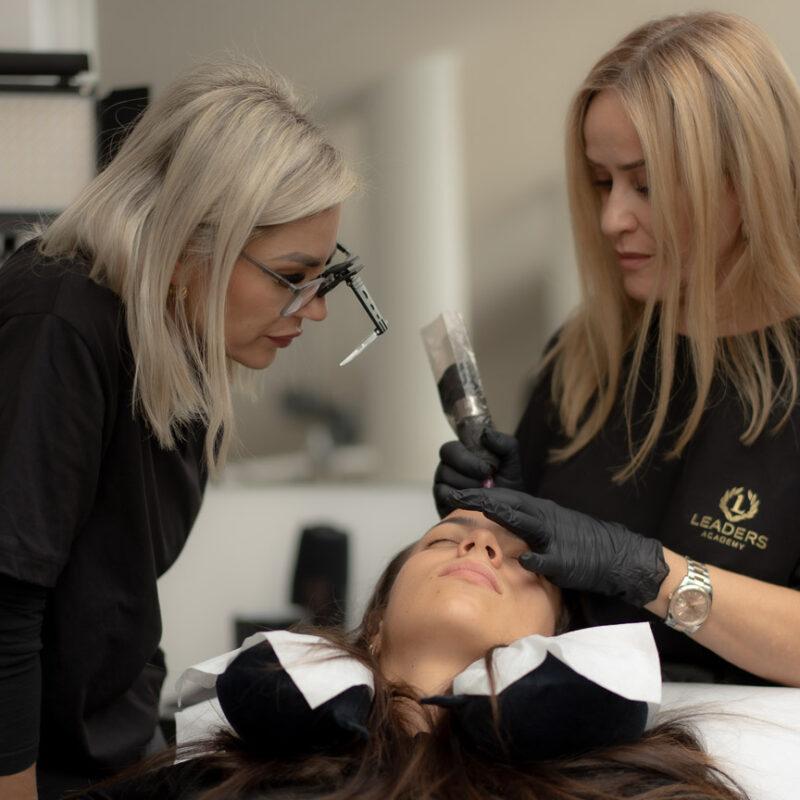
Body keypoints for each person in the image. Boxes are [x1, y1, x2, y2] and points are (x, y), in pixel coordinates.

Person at [0, 55, 368, 799]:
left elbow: (117, 599)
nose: (317, 308)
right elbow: (5, 607)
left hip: (111, 753)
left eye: (324, 277)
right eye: (292, 277)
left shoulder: (177, 350)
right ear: (188, 242)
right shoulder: (60, 321)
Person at [434, 11, 800, 688]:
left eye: (646, 184)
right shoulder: (584, 357)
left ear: (748, 178)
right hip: (571, 733)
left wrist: (645, 572)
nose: (611, 219)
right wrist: (501, 530)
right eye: (603, 182)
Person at [76, 509, 749, 799]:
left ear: (554, 641)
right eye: (443, 539)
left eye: (526, 562)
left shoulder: (625, 786)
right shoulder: (225, 777)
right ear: (374, 625)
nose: (480, 545)